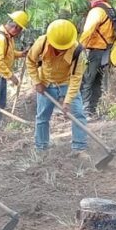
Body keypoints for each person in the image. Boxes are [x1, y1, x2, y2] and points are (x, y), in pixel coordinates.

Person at [27, 19, 88, 156]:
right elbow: (30, 61)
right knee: (42, 117)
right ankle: (41, 148)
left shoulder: (78, 51)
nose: (60, 49)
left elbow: (76, 78)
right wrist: (37, 82)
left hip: (67, 84)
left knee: (78, 115)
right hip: (46, 84)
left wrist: (67, 101)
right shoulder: (41, 42)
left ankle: (79, 148)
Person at [0, 10, 31, 126]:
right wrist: (11, 76)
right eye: (20, 30)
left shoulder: (8, 37)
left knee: (1, 103)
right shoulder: (1, 38)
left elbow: (8, 53)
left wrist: (21, 54)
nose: (19, 33)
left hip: (1, 76)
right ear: (16, 27)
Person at [79, 0, 116, 117]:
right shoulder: (109, 8)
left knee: (87, 80)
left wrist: (80, 47)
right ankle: (93, 110)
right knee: (97, 80)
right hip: (107, 50)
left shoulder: (96, 11)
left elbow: (89, 30)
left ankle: (84, 112)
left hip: (97, 50)